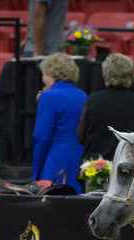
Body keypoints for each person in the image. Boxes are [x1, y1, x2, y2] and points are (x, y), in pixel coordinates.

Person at [77, 53, 134, 161]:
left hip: (97, 168)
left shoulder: (93, 100)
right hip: (130, 167)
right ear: (131, 74)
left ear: (105, 74)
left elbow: (81, 136)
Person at [32, 52, 88, 193]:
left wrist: (36, 172)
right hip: (80, 157)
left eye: (43, 74)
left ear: (51, 73)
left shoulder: (48, 97)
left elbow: (42, 138)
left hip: (56, 159)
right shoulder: (83, 95)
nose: (42, 78)